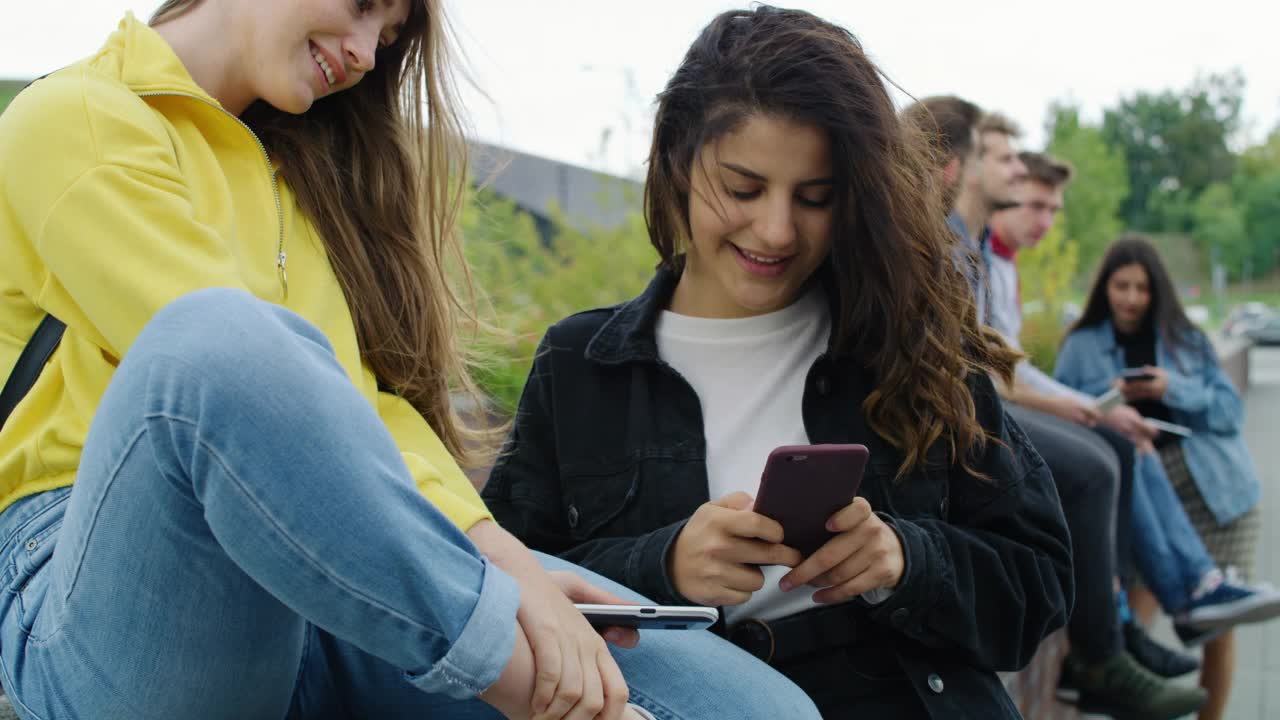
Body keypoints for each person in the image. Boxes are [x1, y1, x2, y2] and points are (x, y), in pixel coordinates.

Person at [0, 2, 824, 719]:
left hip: (326, 578)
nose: (363, 52)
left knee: (760, 708)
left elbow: (354, 401)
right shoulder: (74, 116)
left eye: (386, 35)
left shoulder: (293, 183)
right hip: (102, 580)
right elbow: (234, 380)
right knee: (221, 336)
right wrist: (510, 638)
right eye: (361, 6)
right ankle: (526, 683)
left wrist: (505, 560)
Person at [483, 7, 1075, 718]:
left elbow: (1038, 585)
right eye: (743, 188)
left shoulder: (908, 342)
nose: (776, 230)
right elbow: (503, 596)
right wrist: (662, 566)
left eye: (815, 199)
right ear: (676, 162)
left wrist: (905, 560)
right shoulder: (579, 366)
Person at [907, 98, 1208, 718]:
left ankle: (1118, 631)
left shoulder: (973, 247)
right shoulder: (941, 246)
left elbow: (995, 356)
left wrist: (1078, 406)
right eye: (1004, 158)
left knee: (1112, 450)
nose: (1017, 174)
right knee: (1095, 466)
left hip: (974, 401)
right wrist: (1076, 407)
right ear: (955, 165)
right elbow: (977, 364)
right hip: (952, 415)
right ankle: (1103, 651)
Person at [1056, 235, 1268, 720]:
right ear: (1104, 287)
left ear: (1158, 291)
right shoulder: (1082, 343)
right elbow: (1061, 413)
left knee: (1219, 625)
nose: (1131, 298)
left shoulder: (1185, 338)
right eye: (1121, 285)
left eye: (1142, 288)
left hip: (1217, 492)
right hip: (1142, 494)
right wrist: (1105, 397)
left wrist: (1176, 388)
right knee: (1140, 613)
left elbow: (1230, 411)